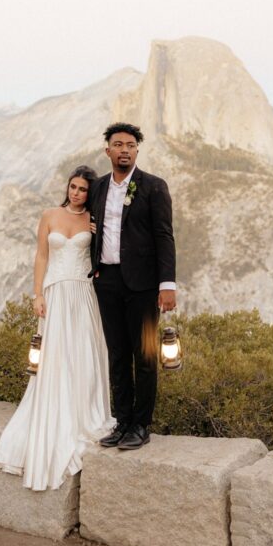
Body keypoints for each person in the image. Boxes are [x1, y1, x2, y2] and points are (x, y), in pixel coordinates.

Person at [0, 166, 114, 490]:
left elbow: (103, 257)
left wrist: (97, 230)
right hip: (56, 293)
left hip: (84, 294)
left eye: (83, 189)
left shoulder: (92, 219)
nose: (76, 193)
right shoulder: (49, 215)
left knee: (85, 354)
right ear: (68, 187)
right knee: (56, 355)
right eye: (73, 187)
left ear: (91, 193)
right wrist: (38, 293)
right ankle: (56, 412)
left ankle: (85, 412)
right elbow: (42, 256)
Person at [90, 123, 176, 451]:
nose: (124, 149)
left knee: (145, 355)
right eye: (118, 144)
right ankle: (122, 421)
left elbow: (164, 237)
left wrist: (167, 284)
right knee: (117, 355)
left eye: (130, 145)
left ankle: (141, 424)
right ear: (107, 150)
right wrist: (94, 266)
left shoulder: (153, 187)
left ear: (137, 151)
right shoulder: (98, 188)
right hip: (107, 282)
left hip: (142, 286)